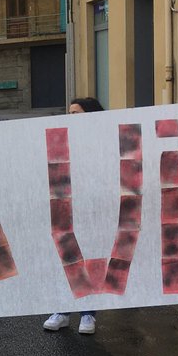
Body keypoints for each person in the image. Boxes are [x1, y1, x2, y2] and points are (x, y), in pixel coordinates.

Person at [44, 97, 106, 335]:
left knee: (89, 258)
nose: (70, 117)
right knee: (66, 256)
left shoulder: (102, 141)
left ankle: (88, 313)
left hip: (93, 208)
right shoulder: (62, 139)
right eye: (69, 113)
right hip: (66, 204)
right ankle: (62, 310)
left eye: (76, 113)